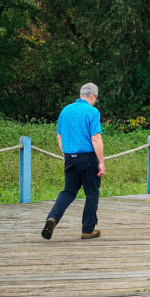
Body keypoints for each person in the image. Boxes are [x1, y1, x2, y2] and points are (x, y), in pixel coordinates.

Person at [41, 83, 106, 240]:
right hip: (88, 157)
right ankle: (88, 229)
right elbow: (96, 138)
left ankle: (52, 218)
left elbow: (59, 136)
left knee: (68, 191)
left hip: (70, 156)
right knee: (91, 192)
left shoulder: (65, 111)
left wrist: (65, 155)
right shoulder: (92, 112)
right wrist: (101, 162)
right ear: (93, 96)